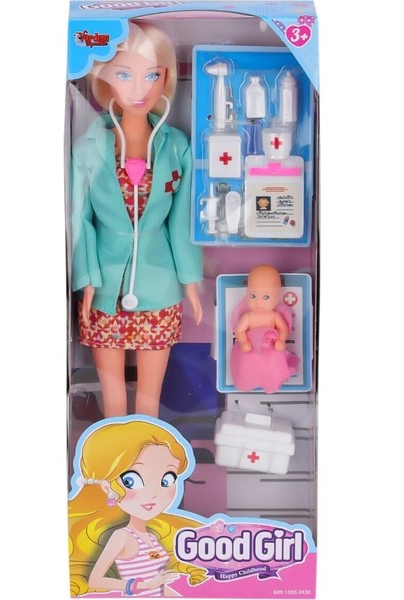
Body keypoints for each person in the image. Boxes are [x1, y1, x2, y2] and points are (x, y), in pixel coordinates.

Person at [71, 22, 203, 418]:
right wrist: (88, 278)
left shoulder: (175, 146)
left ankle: (150, 454)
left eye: (152, 75)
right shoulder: (90, 147)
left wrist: (190, 281)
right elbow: (80, 219)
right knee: (112, 397)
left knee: (150, 399)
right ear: (104, 78)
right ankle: (112, 455)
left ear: (165, 78)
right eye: (125, 75)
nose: (139, 89)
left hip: (160, 285)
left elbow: (181, 221)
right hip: (104, 291)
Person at [68, 419, 207, 597]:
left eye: (167, 479)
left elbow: (158, 586)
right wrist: (146, 585)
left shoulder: (151, 537)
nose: (154, 494)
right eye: (131, 480)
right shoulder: (122, 536)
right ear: (107, 487)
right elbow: (95, 580)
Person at [230, 264, 299, 393]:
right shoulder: (248, 316)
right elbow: (239, 330)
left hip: (271, 348)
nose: (258, 302)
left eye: (266, 297)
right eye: (253, 296)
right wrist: (244, 341)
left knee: (273, 366)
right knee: (248, 365)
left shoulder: (275, 316)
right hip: (251, 348)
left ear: (276, 297)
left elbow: (283, 329)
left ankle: (271, 383)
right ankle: (247, 382)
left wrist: (281, 340)